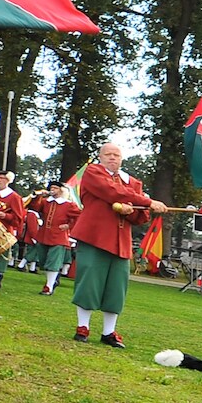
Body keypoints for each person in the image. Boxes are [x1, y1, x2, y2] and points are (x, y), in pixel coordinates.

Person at [70, 143, 167, 348]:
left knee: (116, 288)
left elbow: (142, 216)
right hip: (94, 236)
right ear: (100, 157)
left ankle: (108, 332)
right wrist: (147, 201)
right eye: (108, 154)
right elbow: (111, 191)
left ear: (122, 158)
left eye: (116, 155)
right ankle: (83, 327)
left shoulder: (132, 182)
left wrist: (132, 210)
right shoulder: (92, 172)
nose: (112, 158)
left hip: (121, 242)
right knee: (89, 283)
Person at [27, 180, 81, 296]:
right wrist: (37, 197)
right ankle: (52, 281)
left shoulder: (68, 204)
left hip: (58, 236)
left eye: (55, 188)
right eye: (51, 188)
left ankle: (49, 286)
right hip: (44, 235)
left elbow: (80, 217)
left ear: (61, 190)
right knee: (44, 261)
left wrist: (69, 226)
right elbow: (34, 207)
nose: (53, 190)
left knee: (54, 262)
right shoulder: (46, 202)